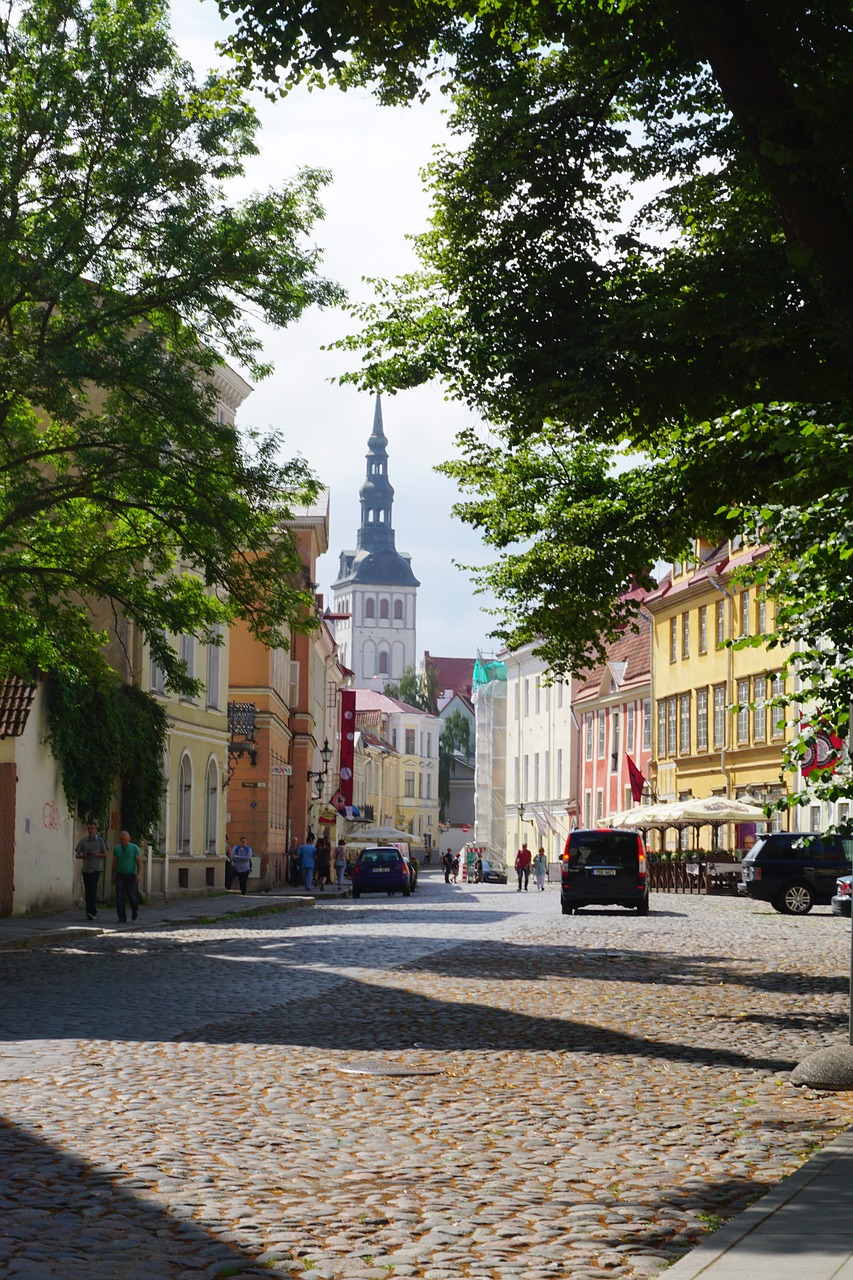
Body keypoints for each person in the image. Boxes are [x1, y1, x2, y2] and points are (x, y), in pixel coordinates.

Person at [75, 820, 108, 920]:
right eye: (89, 828)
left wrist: (96, 854)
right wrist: (85, 855)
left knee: (92, 890)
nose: (90, 830)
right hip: (86, 868)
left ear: (95, 829)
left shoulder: (100, 841)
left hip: (96, 868)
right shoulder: (83, 841)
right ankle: (88, 911)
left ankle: (92, 911)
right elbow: (77, 855)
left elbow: (105, 854)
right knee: (88, 890)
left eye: (92, 828)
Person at [111, 830, 142, 923]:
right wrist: (112, 875)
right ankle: (122, 917)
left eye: (125, 840)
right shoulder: (117, 849)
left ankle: (134, 909)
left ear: (129, 839)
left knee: (132, 895)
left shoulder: (134, 848)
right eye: (121, 840)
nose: (123, 842)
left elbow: (139, 862)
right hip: (120, 875)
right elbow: (114, 863)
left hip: (131, 875)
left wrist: (139, 874)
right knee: (119, 897)